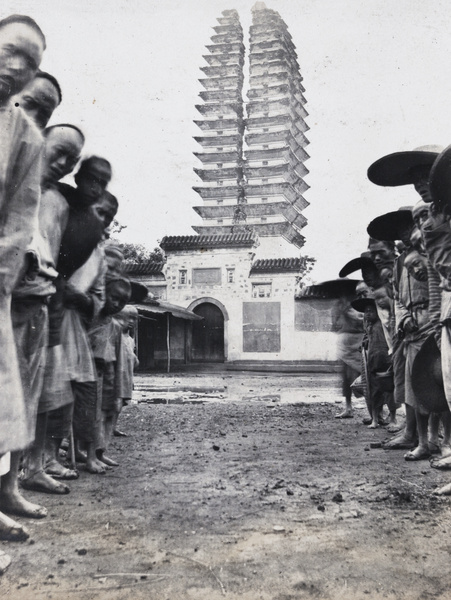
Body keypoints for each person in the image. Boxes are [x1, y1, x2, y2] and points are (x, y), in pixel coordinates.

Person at [13, 125, 85, 498]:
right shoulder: (12, 181)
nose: (63, 164)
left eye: (71, 161)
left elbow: (57, 259)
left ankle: (27, 472)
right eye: (58, 152)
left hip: (40, 301)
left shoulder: (57, 202)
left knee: (38, 395)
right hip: (9, 299)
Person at [0, 14, 46, 545]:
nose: (16, 67)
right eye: (9, 50)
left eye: (29, 63)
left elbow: (18, 219)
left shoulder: (25, 137)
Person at [89, 276, 132, 467]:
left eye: (122, 302)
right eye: (114, 298)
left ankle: (99, 452)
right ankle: (88, 455)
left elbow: (119, 359)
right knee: (91, 414)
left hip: (108, 373)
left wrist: (118, 384)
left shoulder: (114, 326)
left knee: (106, 413)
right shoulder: (90, 317)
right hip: (90, 371)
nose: (116, 304)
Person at [352, 297, 394, 428]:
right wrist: (364, 343)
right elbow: (367, 340)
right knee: (373, 392)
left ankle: (393, 419)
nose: (368, 314)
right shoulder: (368, 327)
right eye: (366, 311)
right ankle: (375, 419)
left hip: (385, 361)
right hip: (372, 362)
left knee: (389, 391)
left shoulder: (383, 325)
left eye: (371, 311)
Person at [113, 305, 139, 437]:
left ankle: (113, 426)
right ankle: (108, 427)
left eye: (134, 319)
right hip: (116, 376)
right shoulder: (116, 337)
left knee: (121, 403)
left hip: (126, 376)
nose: (131, 322)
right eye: (128, 318)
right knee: (115, 403)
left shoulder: (130, 340)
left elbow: (131, 357)